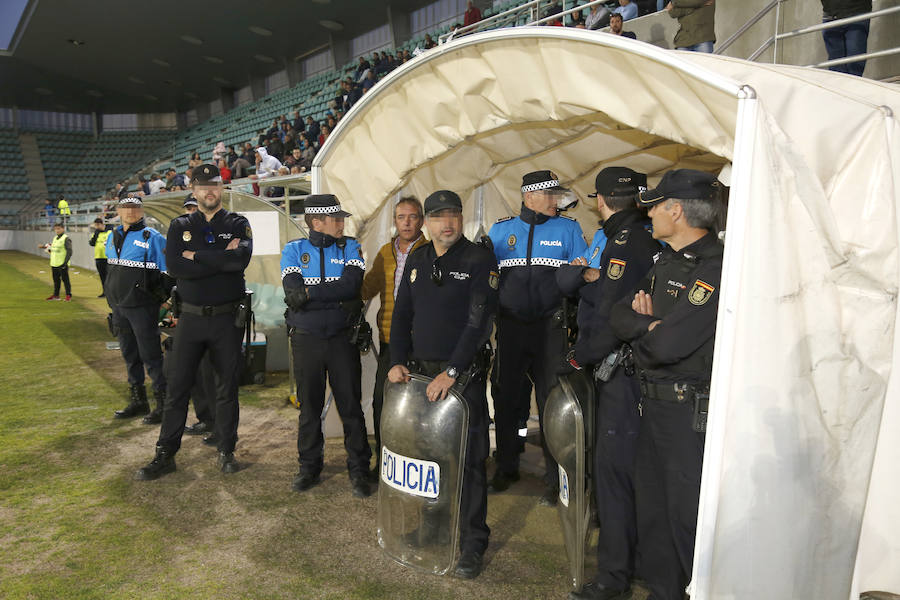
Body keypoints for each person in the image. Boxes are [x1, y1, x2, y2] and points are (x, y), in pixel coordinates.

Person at [610, 169, 723, 600]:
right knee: (653, 514)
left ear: (676, 211)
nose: (650, 214)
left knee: (684, 518)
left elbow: (670, 345)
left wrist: (647, 329)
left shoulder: (714, 268)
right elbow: (619, 316)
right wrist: (648, 325)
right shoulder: (666, 262)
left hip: (686, 414)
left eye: (655, 206)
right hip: (653, 407)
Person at [557, 168, 661, 600]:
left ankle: (614, 577)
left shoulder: (624, 242)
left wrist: (577, 357)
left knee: (613, 475)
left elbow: (610, 316)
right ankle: (633, 563)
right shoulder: (649, 239)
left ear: (600, 200)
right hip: (637, 373)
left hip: (619, 373)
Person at [388, 190, 499, 579]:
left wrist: (451, 371)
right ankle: (433, 524)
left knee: (468, 460)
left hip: (461, 376)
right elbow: (401, 315)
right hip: (420, 376)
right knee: (427, 455)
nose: (446, 223)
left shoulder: (478, 257)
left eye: (453, 215)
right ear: (427, 222)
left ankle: (472, 542)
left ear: (461, 219)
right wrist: (396, 361)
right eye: (438, 217)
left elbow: (478, 323)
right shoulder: (417, 258)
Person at [135, 164, 253, 480]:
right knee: (177, 390)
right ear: (194, 189)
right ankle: (165, 454)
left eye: (214, 185)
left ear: (222, 189)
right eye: (202, 186)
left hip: (227, 320)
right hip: (190, 319)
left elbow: (239, 260)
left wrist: (195, 256)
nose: (209, 191)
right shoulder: (180, 225)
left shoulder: (238, 223)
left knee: (226, 389)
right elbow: (175, 266)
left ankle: (227, 450)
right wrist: (217, 257)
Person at [487, 170, 587, 504]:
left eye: (558, 196)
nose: (556, 201)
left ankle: (553, 477)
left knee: (551, 405)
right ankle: (506, 465)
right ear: (529, 196)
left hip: (550, 331)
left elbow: (583, 277)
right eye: (550, 195)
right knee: (507, 400)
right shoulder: (501, 231)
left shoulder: (569, 229)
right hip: (511, 330)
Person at [281, 194, 372, 498]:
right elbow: (292, 293)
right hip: (306, 341)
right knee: (309, 408)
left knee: (351, 408)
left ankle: (359, 469)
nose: (341, 224)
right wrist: (323, 294)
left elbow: (352, 285)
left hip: (341, 340)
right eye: (336, 219)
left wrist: (309, 293)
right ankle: (309, 467)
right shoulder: (293, 250)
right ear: (316, 221)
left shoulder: (351, 247)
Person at [360, 197, 427, 477]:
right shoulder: (386, 253)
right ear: (395, 221)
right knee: (382, 402)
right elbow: (367, 289)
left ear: (421, 220)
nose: (407, 222)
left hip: (424, 343)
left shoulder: (432, 252)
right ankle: (384, 462)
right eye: (401, 217)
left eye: (412, 217)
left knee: (421, 406)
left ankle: (419, 462)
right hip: (390, 342)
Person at [104, 197, 168, 421]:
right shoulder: (111, 237)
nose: (131, 212)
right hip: (119, 307)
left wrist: (161, 301)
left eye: (135, 208)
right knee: (129, 355)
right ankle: (139, 401)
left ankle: (163, 405)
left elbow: (166, 273)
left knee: (151, 356)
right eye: (126, 208)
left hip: (142, 307)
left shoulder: (153, 237)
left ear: (142, 211)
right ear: (119, 211)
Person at [821, 0, 872, 77]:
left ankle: (853, 87)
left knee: (855, 62)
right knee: (836, 66)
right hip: (830, 16)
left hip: (857, 13)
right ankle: (838, 87)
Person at [40, 222, 72, 301]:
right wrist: (44, 247)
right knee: (56, 281)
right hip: (54, 263)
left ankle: (68, 295)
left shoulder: (66, 238)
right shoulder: (55, 238)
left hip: (62, 263)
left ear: (63, 229)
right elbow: (53, 249)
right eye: (55, 229)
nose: (57, 230)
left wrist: (65, 262)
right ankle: (56, 295)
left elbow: (69, 251)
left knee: (65, 280)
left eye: (58, 229)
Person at [88, 217, 112, 298]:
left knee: (110, 276)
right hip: (98, 257)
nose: (96, 227)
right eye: (95, 225)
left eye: (97, 225)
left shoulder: (109, 232)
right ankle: (105, 292)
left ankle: (111, 293)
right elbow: (92, 243)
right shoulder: (96, 233)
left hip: (108, 258)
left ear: (101, 224)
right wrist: (95, 235)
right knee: (102, 276)